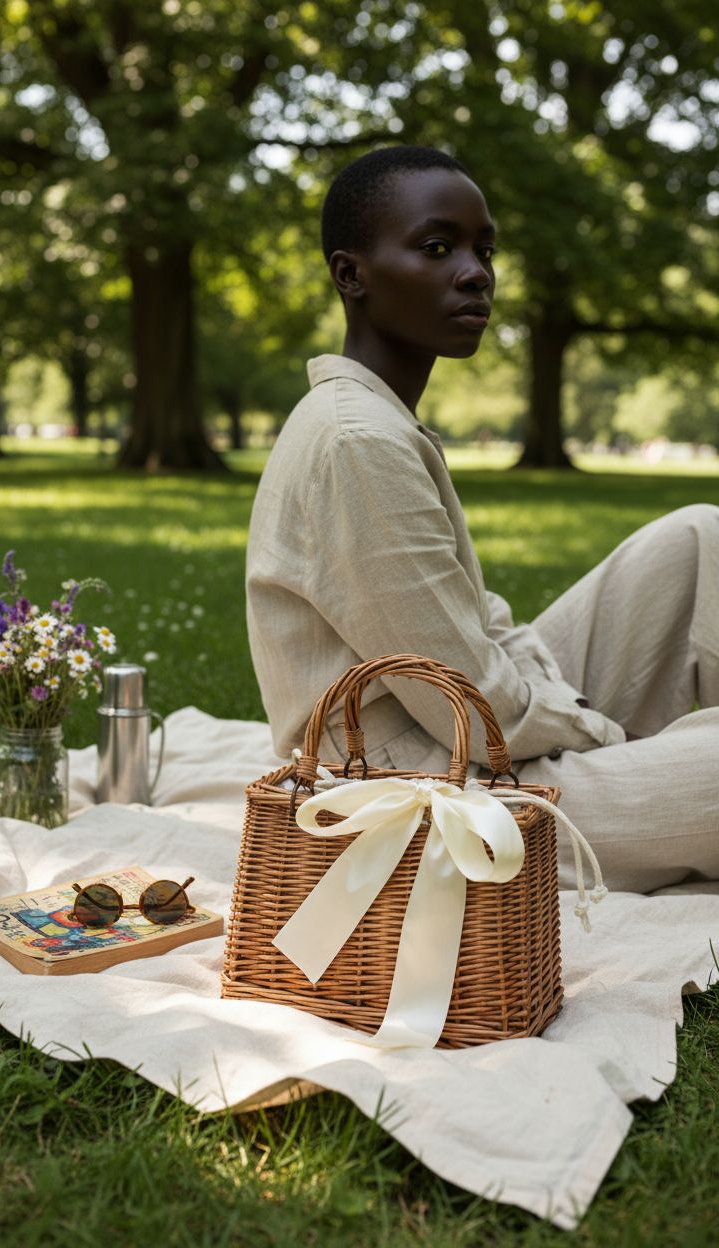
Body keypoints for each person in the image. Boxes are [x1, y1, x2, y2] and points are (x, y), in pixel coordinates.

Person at [246, 145, 719, 894]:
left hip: (473, 740)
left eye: (483, 249)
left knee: (699, 536)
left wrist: (567, 714)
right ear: (351, 274)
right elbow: (463, 698)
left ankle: (653, 778)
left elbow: (480, 621)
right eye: (437, 248)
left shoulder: (379, 418)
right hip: (429, 803)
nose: (475, 272)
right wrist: (593, 735)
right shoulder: (356, 440)